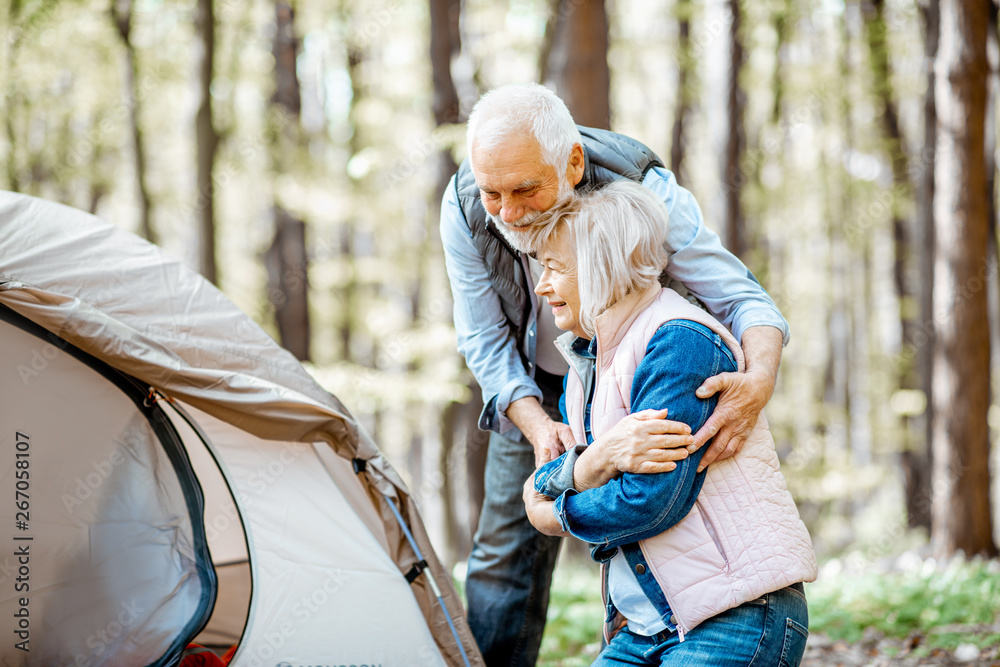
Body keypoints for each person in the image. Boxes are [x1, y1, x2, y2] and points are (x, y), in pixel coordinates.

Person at [440, 83, 789, 666]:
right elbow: (481, 337)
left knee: (659, 504)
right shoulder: (464, 206)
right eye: (492, 193)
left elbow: (738, 295)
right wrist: (536, 425)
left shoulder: (641, 187)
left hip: (637, 364)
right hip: (535, 387)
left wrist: (760, 380)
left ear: (573, 162)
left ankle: (714, 628)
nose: (509, 212)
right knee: (505, 554)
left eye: (525, 189)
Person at [522, 181, 817, 666]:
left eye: (554, 268)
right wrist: (574, 473)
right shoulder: (587, 369)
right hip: (645, 627)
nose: (541, 285)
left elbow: (651, 501)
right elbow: (570, 473)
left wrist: (556, 514)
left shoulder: (679, 341)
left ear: (602, 264)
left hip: (734, 614)